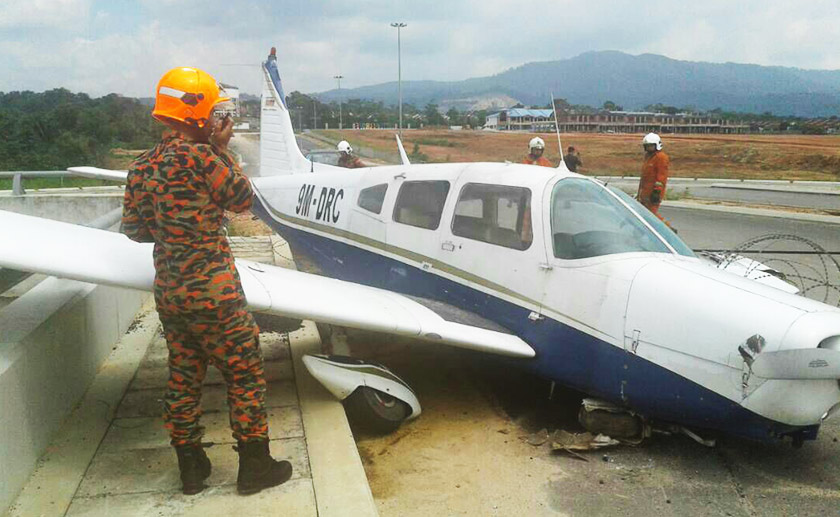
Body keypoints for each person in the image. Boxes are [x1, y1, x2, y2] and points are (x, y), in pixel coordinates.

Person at [122, 66, 292, 496]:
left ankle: (191, 467)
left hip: (171, 291)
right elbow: (242, 198)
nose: (219, 120)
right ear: (197, 114)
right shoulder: (203, 158)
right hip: (215, 292)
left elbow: (135, 230)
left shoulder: (141, 166)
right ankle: (255, 466)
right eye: (215, 112)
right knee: (244, 373)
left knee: (183, 374)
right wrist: (221, 150)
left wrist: (172, 230)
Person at [637, 133, 670, 221]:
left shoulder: (661, 157)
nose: (649, 148)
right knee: (643, 214)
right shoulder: (648, 156)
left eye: (651, 146)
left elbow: (662, 176)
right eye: (647, 146)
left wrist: (657, 192)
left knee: (651, 216)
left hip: (654, 193)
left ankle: (666, 228)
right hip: (645, 192)